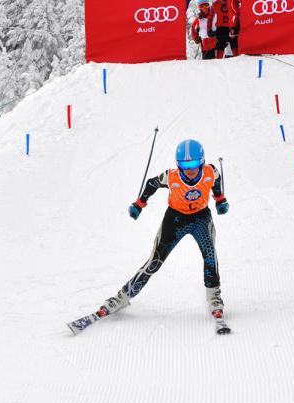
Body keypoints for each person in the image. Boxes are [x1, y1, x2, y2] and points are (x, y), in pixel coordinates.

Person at [93, 139, 230, 324]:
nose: (190, 170)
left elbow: (216, 181)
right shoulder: (171, 177)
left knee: (210, 255)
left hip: (200, 218)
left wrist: (220, 199)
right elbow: (151, 184)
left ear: (202, 162)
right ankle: (122, 297)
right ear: (178, 165)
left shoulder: (210, 172)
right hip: (175, 219)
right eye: (185, 165)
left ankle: (214, 296)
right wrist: (139, 204)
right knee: (154, 261)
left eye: (194, 164)